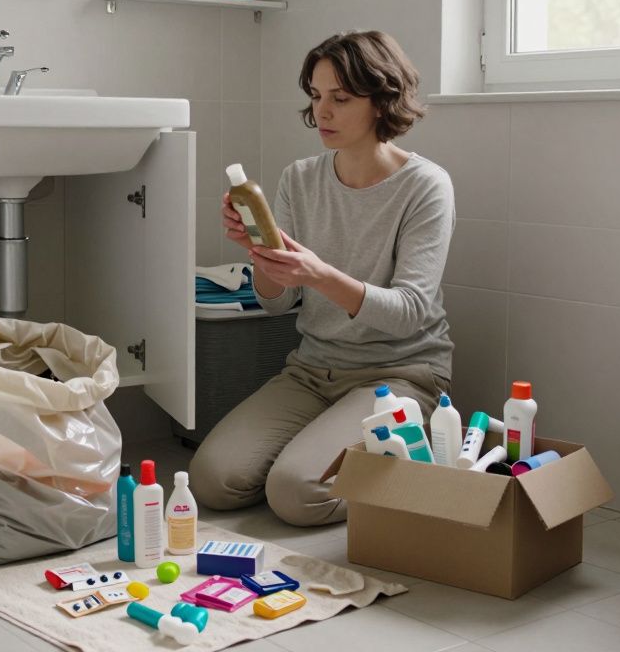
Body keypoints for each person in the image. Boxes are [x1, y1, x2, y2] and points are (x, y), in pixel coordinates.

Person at [188, 30, 455, 527]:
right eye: (315, 95)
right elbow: (275, 305)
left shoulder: (425, 186)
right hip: (313, 370)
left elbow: (410, 313)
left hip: (399, 374)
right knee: (213, 481)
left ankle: (423, 465)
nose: (322, 112)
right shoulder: (299, 178)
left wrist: (320, 274)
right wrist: (263, 262)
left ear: (381, 101)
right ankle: (339, 453)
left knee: (296, 494)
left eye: (340, 98)